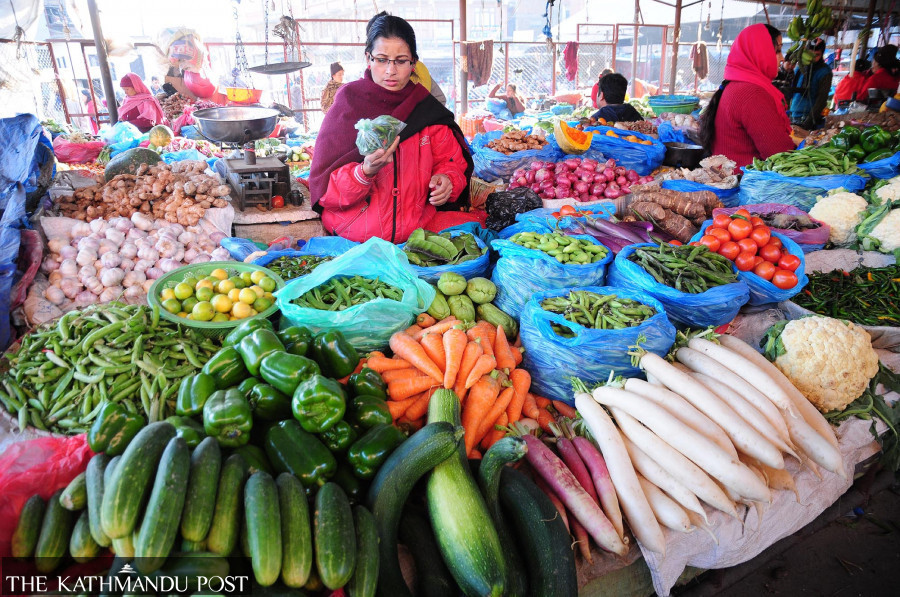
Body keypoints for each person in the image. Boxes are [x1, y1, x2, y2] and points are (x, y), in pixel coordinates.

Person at [308, 13, 478, 243]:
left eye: (401, 60)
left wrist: (447, 181)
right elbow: (326, 192)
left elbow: (452, 162)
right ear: (368, 58)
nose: (390, 70)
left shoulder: (425, 108)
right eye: (381, 59)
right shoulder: (348, 103)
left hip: (417, 236)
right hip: (353, 239)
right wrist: (364, 173)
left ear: (414, 63)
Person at [699, 24, 794, 173]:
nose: (782, 58)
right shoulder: (752, 93)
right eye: (777, 51)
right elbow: (780, 155)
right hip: (743, 181)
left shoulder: (736, 85)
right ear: (760, 52)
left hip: (730, 176)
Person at [789, 38, 833, 129]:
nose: (813, 58)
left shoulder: (825, 72)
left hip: (809, 118)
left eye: (817, 55)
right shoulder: (800, 67)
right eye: (810, 54)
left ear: (822, 54)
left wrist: (809, 122)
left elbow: (821, 100)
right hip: (793, 114)